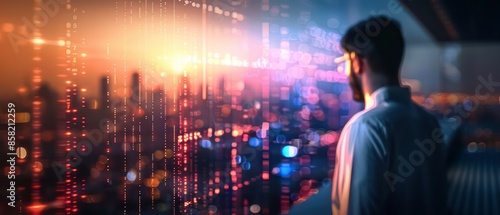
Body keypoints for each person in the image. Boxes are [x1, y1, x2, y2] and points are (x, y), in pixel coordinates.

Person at [331, 16, 447, 215]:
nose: (345, 70)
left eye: (345, 61)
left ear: (357, 61)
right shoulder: (428, 121)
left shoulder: (366, 126)